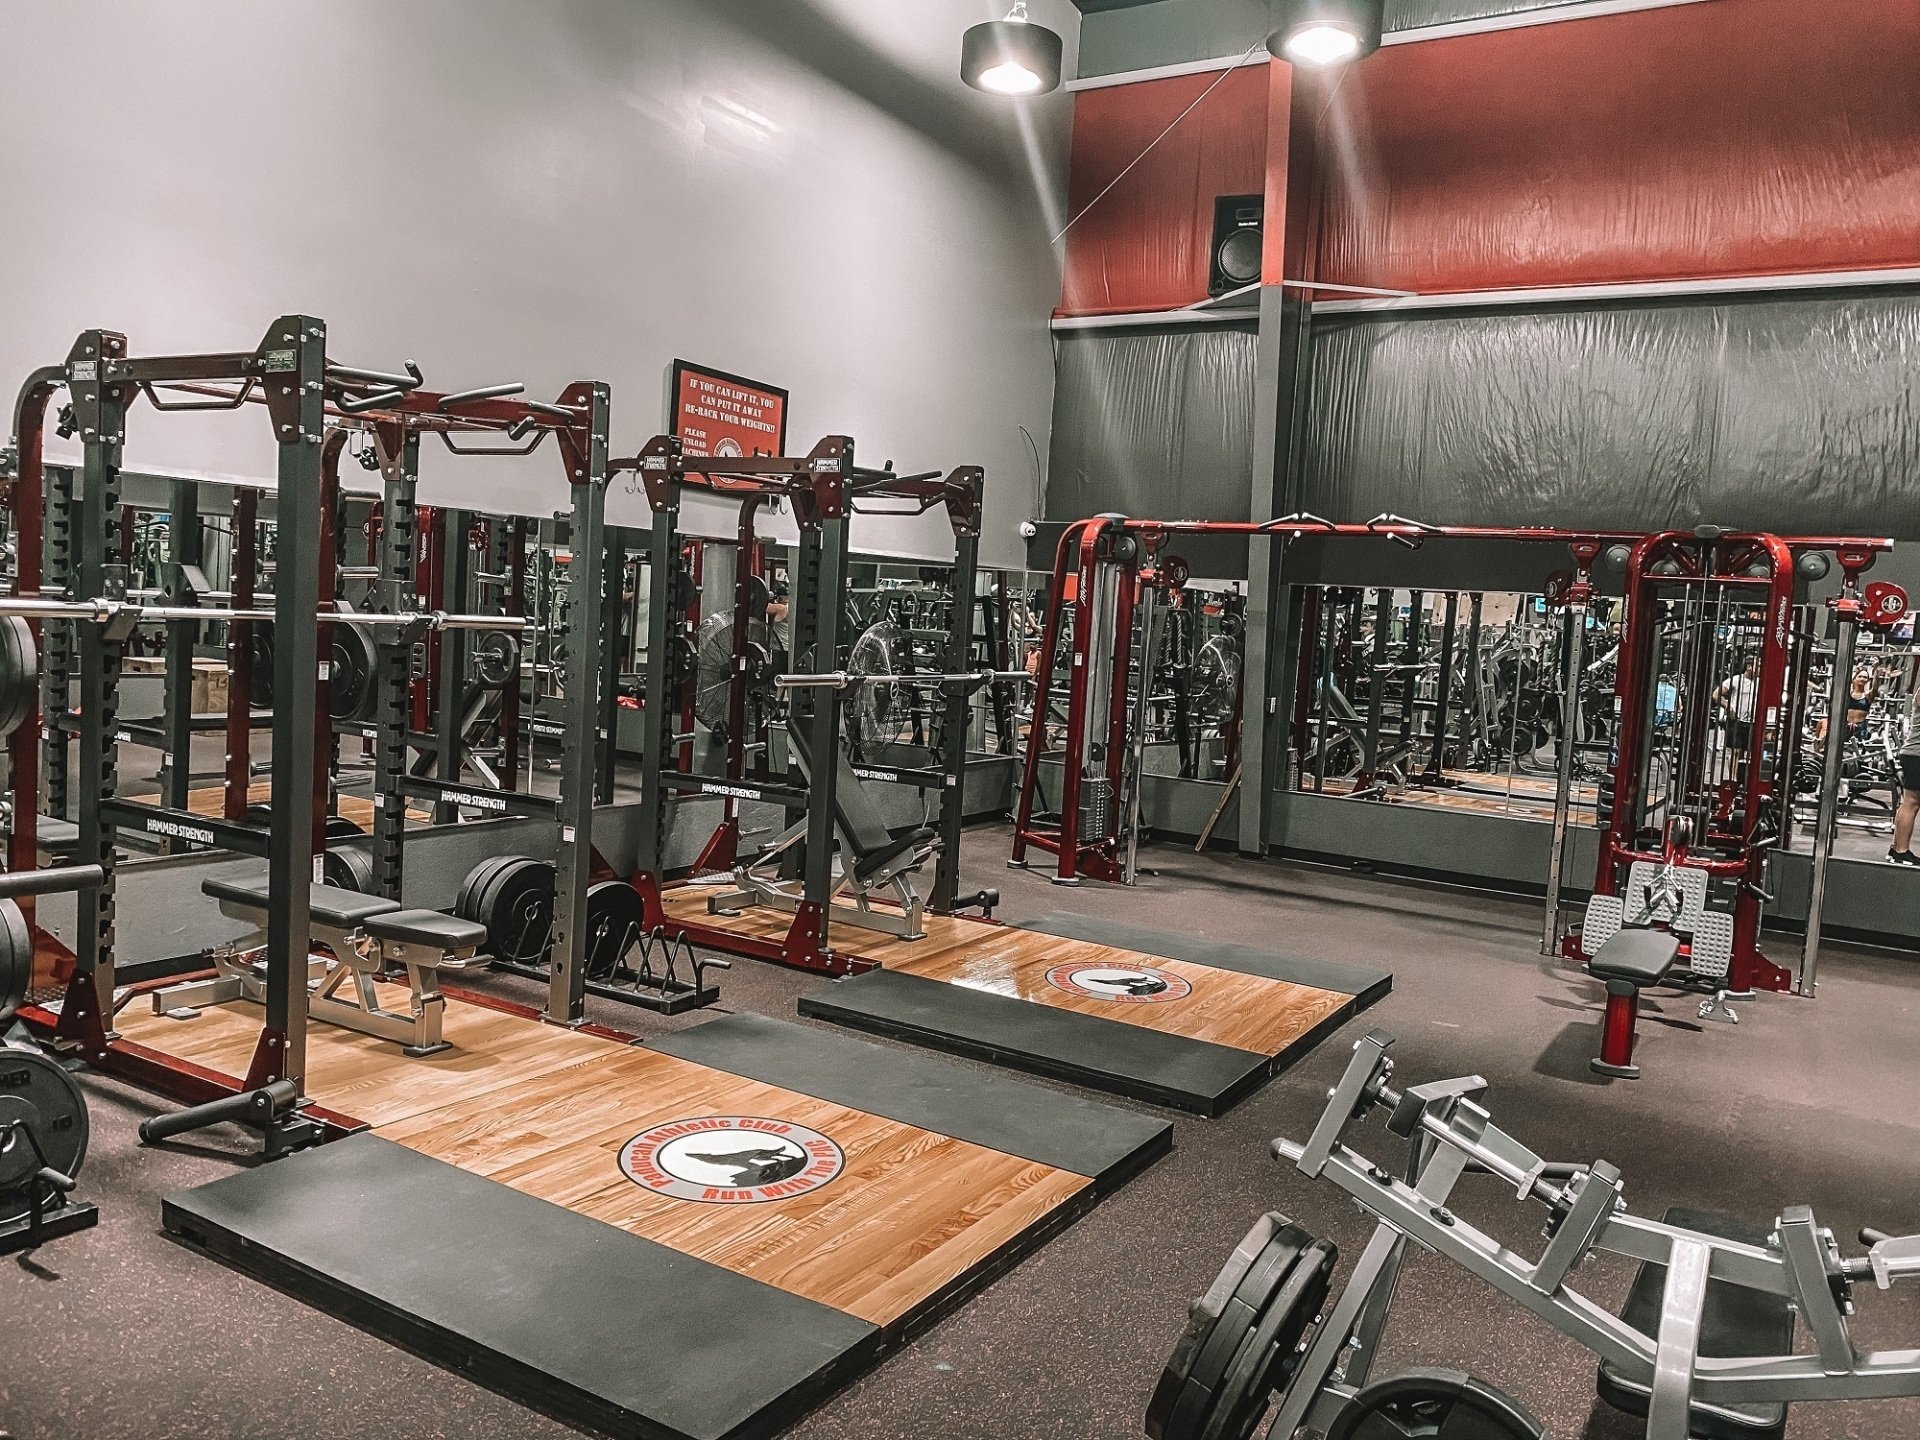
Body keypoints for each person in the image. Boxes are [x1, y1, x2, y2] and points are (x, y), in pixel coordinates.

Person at [1891, 684, 1920, 866]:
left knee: (1911, 802)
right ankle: (1900, 851)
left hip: (1914, 754)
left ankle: (1897, 849)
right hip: (1917, 753)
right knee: (1911, 802)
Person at [1714, 657, 1760, 764]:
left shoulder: (1760, 682)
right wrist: (1727, 706)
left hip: (1753, 722)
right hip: (1737, 721)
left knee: (1750, 753)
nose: (1760, 669)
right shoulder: (1735, 680)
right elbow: (1717, 694)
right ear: (1749, 667)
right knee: (1736, 752)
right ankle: (1733, 778)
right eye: (1757, 666)